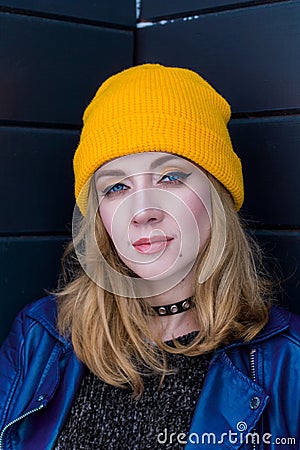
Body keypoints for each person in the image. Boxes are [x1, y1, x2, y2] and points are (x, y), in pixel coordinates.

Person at [0, 64, 299, 450]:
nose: (142, 211)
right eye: (117, 186)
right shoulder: (37, 338)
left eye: (171, 177)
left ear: (217, 194)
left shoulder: (288, 362)